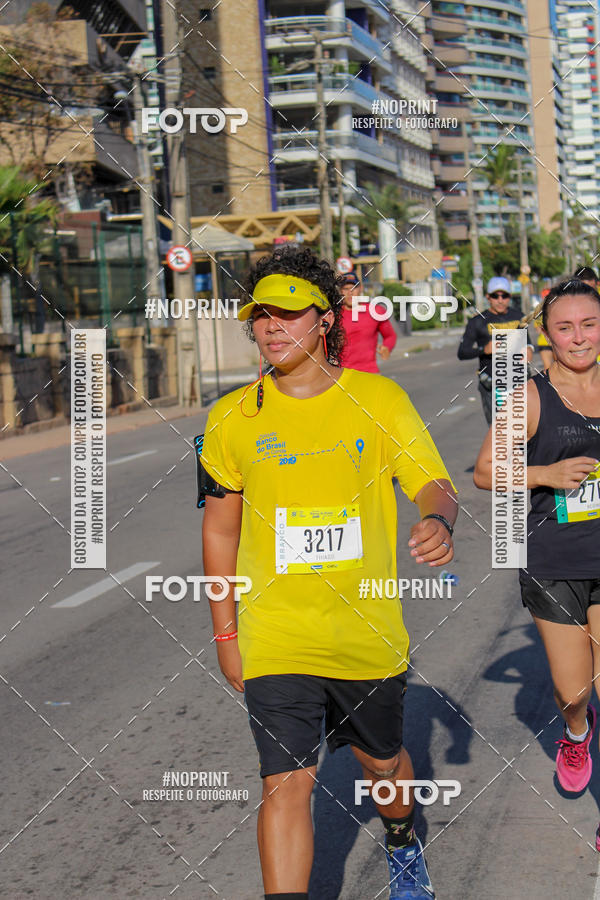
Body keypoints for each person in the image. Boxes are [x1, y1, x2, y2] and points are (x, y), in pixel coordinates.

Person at [200, 246, 458, 899]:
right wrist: (227, 636)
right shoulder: (230, 419)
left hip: (364, 631)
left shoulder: (378, 398)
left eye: (289, 313)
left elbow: (432, 483)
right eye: (261, 315)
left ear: (325, 320)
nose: (272, 327)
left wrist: (437, 520)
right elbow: (220, 530)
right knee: (285, 783)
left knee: (382, 766)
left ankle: (402, 839)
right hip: (275, 634)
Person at [474, 280, 600, 843]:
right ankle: (576, 732)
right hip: (554, 559)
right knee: (575, 691)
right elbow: (483, 473)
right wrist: (546, 475)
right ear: (546, 335)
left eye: (589, 324)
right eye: (565, 327)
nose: (579, 337)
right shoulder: (529, 395)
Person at [457, 276, 533, 424]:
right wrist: (483, 349)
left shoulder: (519, 317)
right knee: (500, 433)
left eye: (504, 296)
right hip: (492, 385)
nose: (500, 300)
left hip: (519, 381)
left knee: (525, 430)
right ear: (488, 297)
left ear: (509, 297)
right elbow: (462, 352)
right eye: (495, 296)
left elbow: (527, 343)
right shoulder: (478, 321)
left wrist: (529, 350)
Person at [339, 271, 397, 373]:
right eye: (346, 289)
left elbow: (390, 336)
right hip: (342, 375)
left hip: (370, 372)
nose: (350, 292)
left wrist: (387, 347)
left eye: (354, 288)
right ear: (340, 291)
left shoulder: (375, 311)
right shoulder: (333, 316)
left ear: (360, 288)